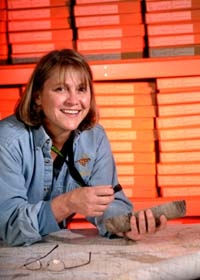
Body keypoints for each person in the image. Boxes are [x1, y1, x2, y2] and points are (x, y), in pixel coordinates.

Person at [0, 49, 167, 246]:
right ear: (37, 96)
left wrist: (127, 225)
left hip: (48, 254)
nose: (73, 100)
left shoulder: (94, 138)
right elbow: (10, 228)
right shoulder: (8, 140)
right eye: (60, 89)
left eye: (81, 89)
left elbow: (109, 203)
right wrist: (68, 202)